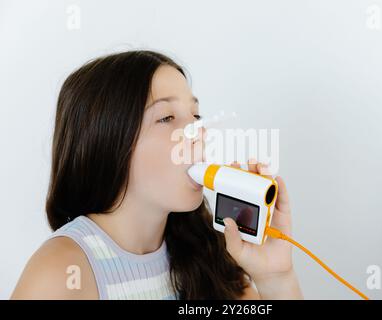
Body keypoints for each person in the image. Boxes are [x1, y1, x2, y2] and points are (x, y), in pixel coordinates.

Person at [11, 51, 303, 300]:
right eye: (167, 117)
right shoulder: (62, 269)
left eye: (196, 117)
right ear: (108, 142)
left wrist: (275, 277)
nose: (197, 133)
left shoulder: (207, 256)